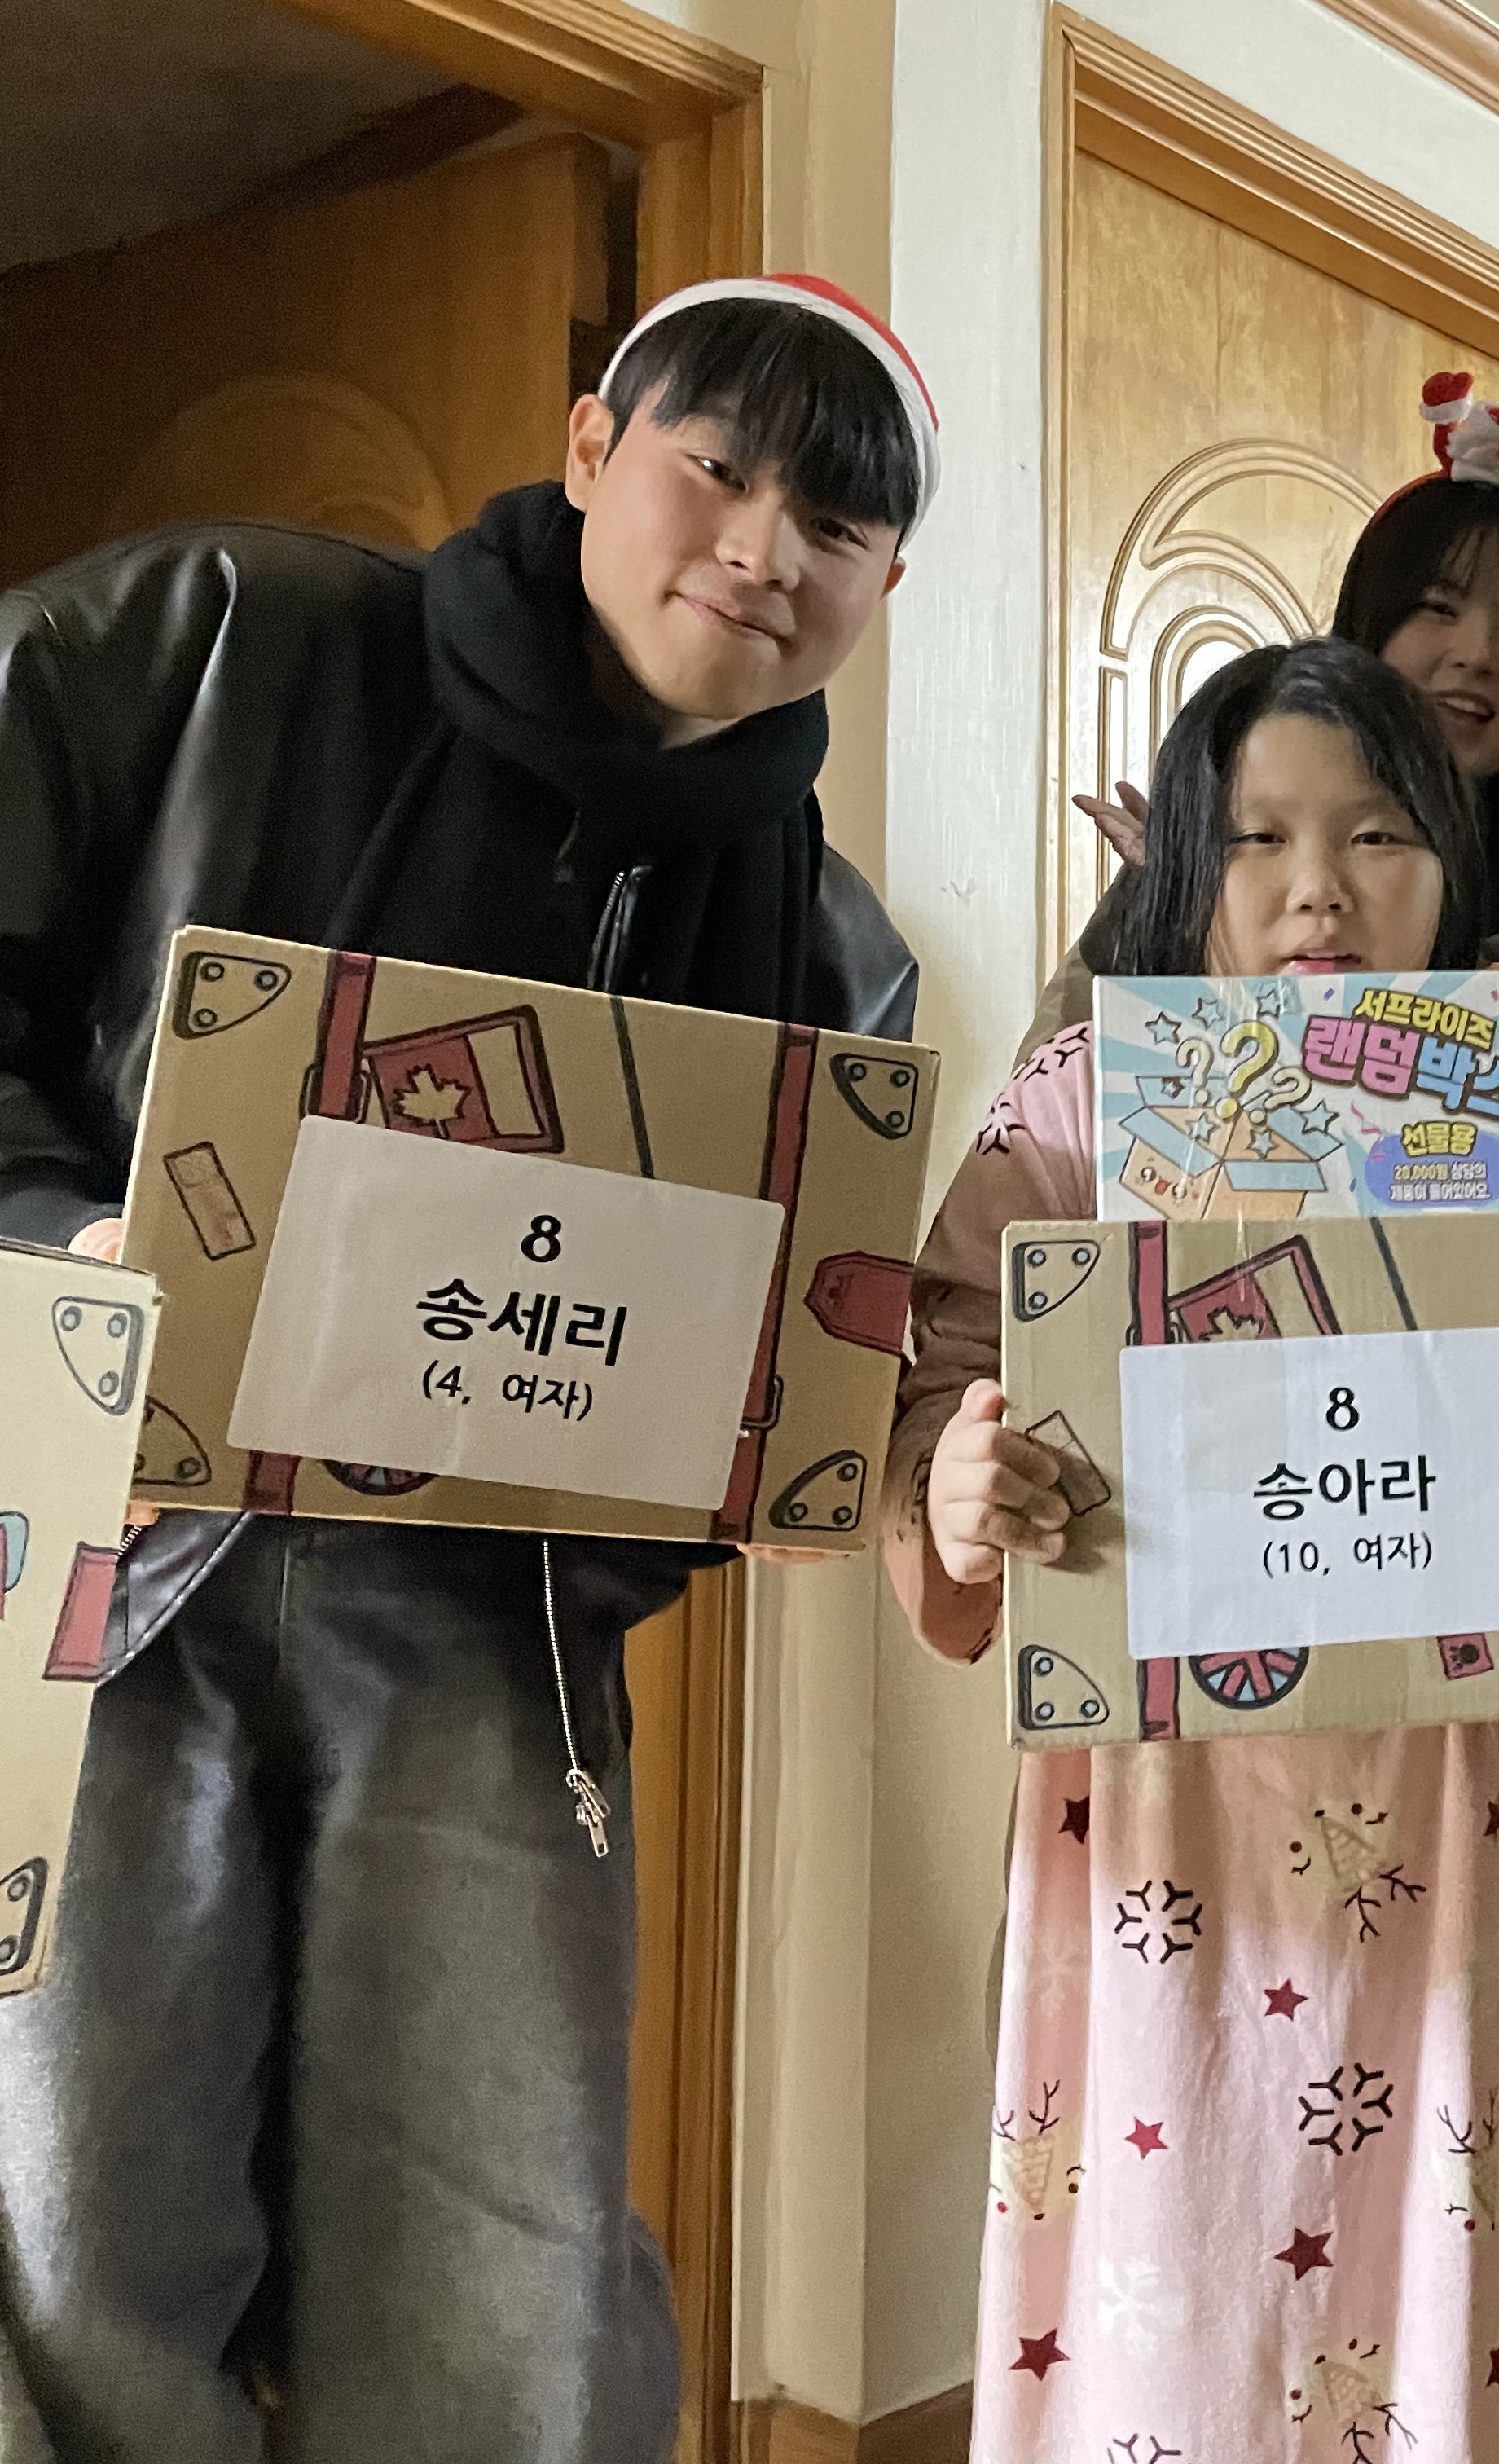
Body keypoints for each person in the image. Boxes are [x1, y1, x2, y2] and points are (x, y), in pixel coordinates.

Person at [0, 275, 933, 2462]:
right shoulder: (220, 635)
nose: (762, 550)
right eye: (718, 465)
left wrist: (799, 1462)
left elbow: (783, 1371)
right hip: (115, 1566)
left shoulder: (828, 953)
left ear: (888, 580)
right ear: (592, 444)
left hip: (489, 1632)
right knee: (78, 2207)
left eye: (836, 524)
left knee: (499, 2240)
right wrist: (57, 1241)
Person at [885, 636, 1499, 2462]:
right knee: (1172, 2252)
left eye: (1376, 835)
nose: (1318, 888)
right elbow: (941, 1377)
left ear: (1447, 863)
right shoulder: (1078, 1108)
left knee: (1450, 2256)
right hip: (1163, 1826)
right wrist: (952, 1485)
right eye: (1258, 837)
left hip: (1463, 1810)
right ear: (1184, 876)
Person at [1022, 374, 1499, 1059]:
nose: (1477, 655)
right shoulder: (1202, 860)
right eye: (1438, 608)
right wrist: (1173, 911)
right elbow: (1049, 1097)